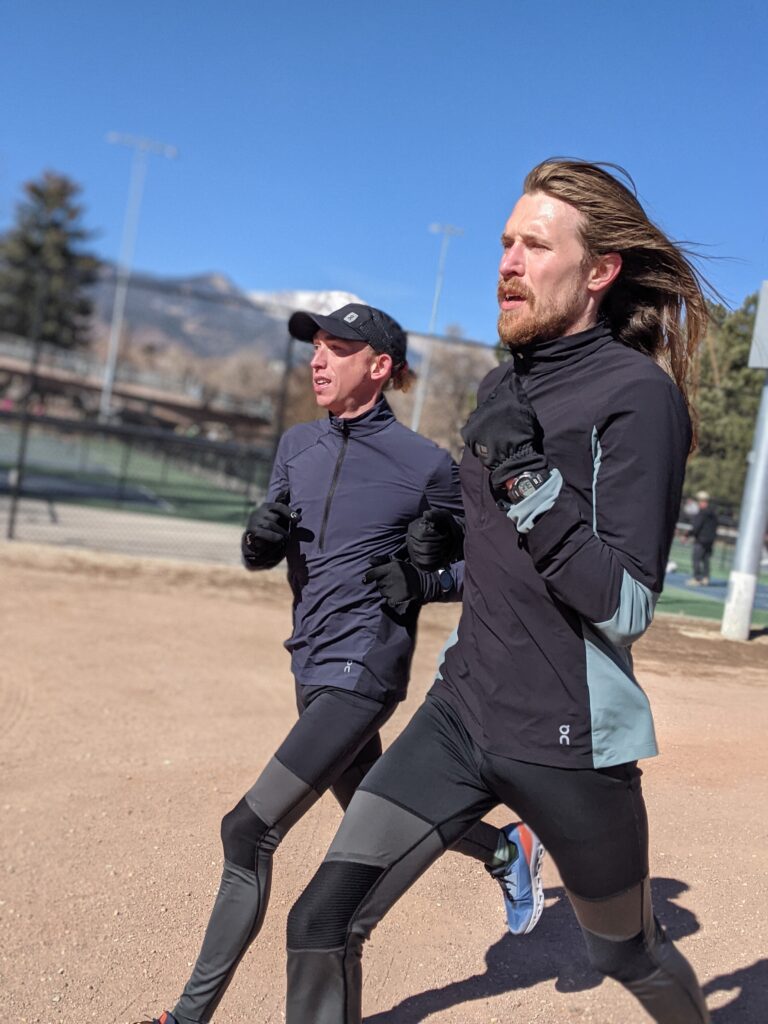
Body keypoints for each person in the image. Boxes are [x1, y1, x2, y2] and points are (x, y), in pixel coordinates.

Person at [284, 160, 713, 1024]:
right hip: (462, 711)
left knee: (625, 952)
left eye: (534, 246)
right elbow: (504, 564)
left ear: (599, 272)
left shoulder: (638, 398)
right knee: (320, 920)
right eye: (506, 243)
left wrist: (522, 477)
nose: (507, 262)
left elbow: (625, 603)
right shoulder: (500, 385)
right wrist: (435, 570)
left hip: (568, 739)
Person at [138, 303, 543, 1024]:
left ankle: (185, 1017)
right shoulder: (297, 445)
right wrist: (257, 544)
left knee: (247, 830)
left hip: (365, 672)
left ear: (379, 367)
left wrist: (427, 582)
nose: (318, 360)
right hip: (311, 664)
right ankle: (504, 848)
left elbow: (489, 568)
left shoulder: (427, 467)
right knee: (371, 811)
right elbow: (272, 538)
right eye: (315, 347)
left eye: (338, 348)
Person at [688, 490, 718, 585]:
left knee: (696, 559)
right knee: (705, 559)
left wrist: (687, 535)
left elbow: (696, 526)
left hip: (701, 540)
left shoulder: (702, 513)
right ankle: (706, 578)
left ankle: (697, 578)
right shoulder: (713, 513)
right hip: (710, 540)